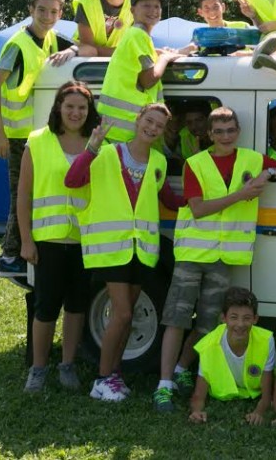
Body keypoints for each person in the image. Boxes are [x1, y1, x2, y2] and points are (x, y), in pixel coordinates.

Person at [154, 107, 276, 413]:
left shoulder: (251, 158)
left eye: (231, 130)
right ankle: (164, 385)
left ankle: (183, 369)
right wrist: (243, 193)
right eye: (219, 131)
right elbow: (197, 209)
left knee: (210, 322)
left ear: (238, 131)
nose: (225, 136)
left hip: (224, 257)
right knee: (176, 319)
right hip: (193, 253)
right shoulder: (194, 163)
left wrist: (270, 172)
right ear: (209, 134)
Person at [64, 102, 184, 402]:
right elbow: (73, 180)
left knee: (127, 318)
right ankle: (102, 380)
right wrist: (91, 147)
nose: (152, 128)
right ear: (138, 118)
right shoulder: (107, 153)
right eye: (149, 121)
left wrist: (207, 199)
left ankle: (114, 374)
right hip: (111, 248)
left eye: (159, 125)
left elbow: (169, 200)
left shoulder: (158, 161)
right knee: (123, 313)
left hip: (142, 250)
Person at [0, 0, 79, 277]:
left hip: (37, 136)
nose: (47, 16)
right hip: (16, 136)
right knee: (20, 195)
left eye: (53, 12)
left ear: (60, 14)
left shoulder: (51, 37)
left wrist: (74, 50)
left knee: (33, 194)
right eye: (42, 10)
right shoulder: (18, 45)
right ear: (31, 10)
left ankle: (21, 250)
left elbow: (81, 45)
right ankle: (8, 255)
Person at [17, 81, 99, 392]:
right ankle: (38, 370)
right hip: (47, 242)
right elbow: (23, 195)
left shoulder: (98, 143)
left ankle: (67, 366)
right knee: (46, 307)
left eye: (82, 107)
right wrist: (26, 240)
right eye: (70, 106)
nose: (76, 112)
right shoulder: (37, 141)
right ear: (58, 108)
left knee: (77, 307)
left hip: (84, 240)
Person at [97, 0, 182, 143]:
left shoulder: (135, 35)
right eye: (146, 5)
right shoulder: (138, 35)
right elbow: (148, 80)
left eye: (157, 6)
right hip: (126, 131)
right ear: (133, 10)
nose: (153, 10)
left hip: (116, 129)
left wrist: (166, 53)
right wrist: (165, 59)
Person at [188, 287, 275, 425]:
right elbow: (199, 394)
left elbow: (266, 396)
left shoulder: (266, 340)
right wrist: (196, 411)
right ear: (223, 318)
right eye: (234, 317)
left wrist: (258, 412)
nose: (240, 324)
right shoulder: (208, 345)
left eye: (246, 318)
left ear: (255, 319)